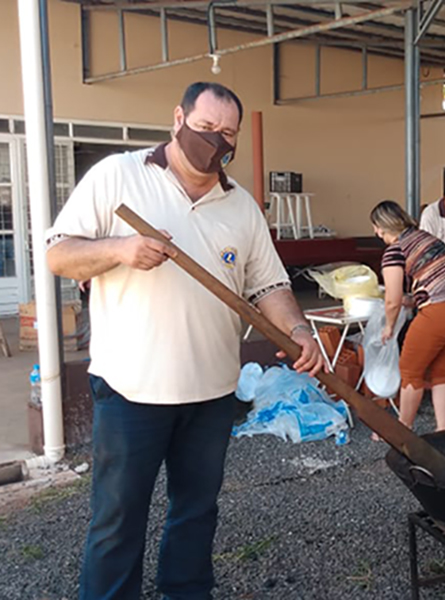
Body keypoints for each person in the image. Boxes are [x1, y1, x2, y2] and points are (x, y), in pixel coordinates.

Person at [46, 82, 324, 599]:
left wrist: (298, 329)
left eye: (227, 135)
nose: (216, 143)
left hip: (212, 393)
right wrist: (120, 249)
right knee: (117, 519)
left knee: (196, 511)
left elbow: (270, 285)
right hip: (132, 390)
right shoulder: (118, 175)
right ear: (177, 117)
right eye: (205, 129)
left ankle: (186, 592)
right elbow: (60, 255)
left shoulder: (239, 205)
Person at [372, 200, 445, 432]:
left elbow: (392, 299)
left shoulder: (394, 251)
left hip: (442, 311)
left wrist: (389, 327)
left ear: (379, 228)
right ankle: (443, 432)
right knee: (441, 371)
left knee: (410, 371)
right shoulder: (425, 237)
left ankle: (403, 431)